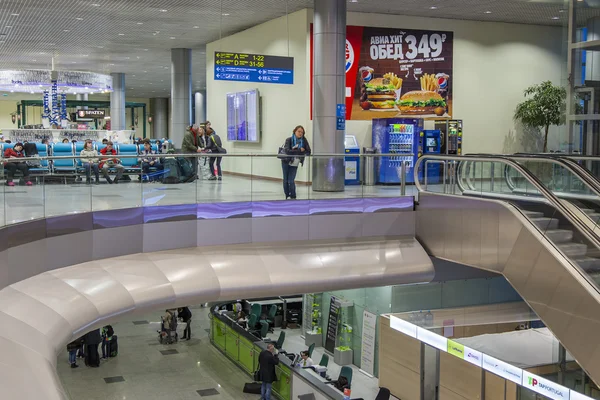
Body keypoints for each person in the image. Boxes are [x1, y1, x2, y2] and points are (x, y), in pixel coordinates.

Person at [281, 125, 311, 199]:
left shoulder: (304, 141)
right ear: (295, 131)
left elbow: (308, 151)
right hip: (286, 161)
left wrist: (302, 153)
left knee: (291, 180)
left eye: (302, 132)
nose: (300, 133)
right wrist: (298, 151)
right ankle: (287, 194)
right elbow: (287, 151)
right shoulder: (289, 140)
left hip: (295, 162)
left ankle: (293, 196)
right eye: (299, 131)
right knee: (286, 179)